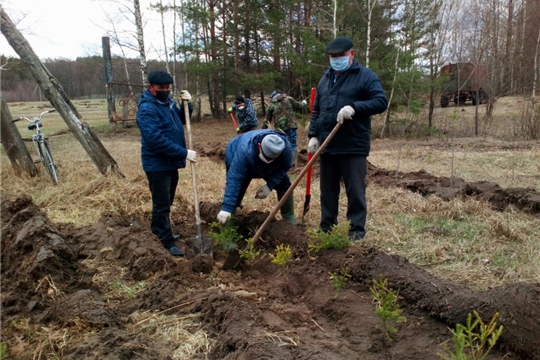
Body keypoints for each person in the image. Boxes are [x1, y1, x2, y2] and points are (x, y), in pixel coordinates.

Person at [308, 36, 388, 241]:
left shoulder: (365, 76)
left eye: (340, 56)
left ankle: (356, 231)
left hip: (353, 145)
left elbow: (380, 101)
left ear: (351, 54)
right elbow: (317, 109)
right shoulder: (325, 79)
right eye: (332, 57)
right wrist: (313, 135)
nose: (336, 60)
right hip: (327, 145)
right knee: (327, 190)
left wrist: (354, 107)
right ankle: (327, 228)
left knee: (355, 191)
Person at [137, 70, 196, 257]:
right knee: (162, 204)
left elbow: (180, 120)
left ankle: (157, 230)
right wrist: (184, 152)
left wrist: (188, 105)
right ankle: (166, 241)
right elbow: (156, 140)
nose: (165, 90)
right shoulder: (147, 109)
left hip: (170, 163)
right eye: (161, 88)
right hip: (157, 165)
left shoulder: (167, 103)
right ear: (150, 88)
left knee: (166, 201)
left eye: (168, 87)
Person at [216, 129, 298, 225]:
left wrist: (269, 186)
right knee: (238, 190)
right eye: (266, 157)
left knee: (284, 184)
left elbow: (284, 167)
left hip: (271, 167)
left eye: (271, 159)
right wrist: (227, 207)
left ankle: (289, 216)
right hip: (237, 154)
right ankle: (228, 230)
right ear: (259, 146)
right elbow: (234, 179)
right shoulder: (244, 152)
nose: (267, 160)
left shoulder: (285, 149)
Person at [262, 90, 307, 165]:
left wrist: (262, 130)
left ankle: (284, 163)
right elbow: (299, 106)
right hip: (291, 126)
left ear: (273, 97)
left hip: (280, 129)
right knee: (293, 144)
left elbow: (266, 120)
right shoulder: (288, 99)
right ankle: (293, 163)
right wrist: (304, 103)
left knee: (281, 145)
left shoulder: (272, 105)